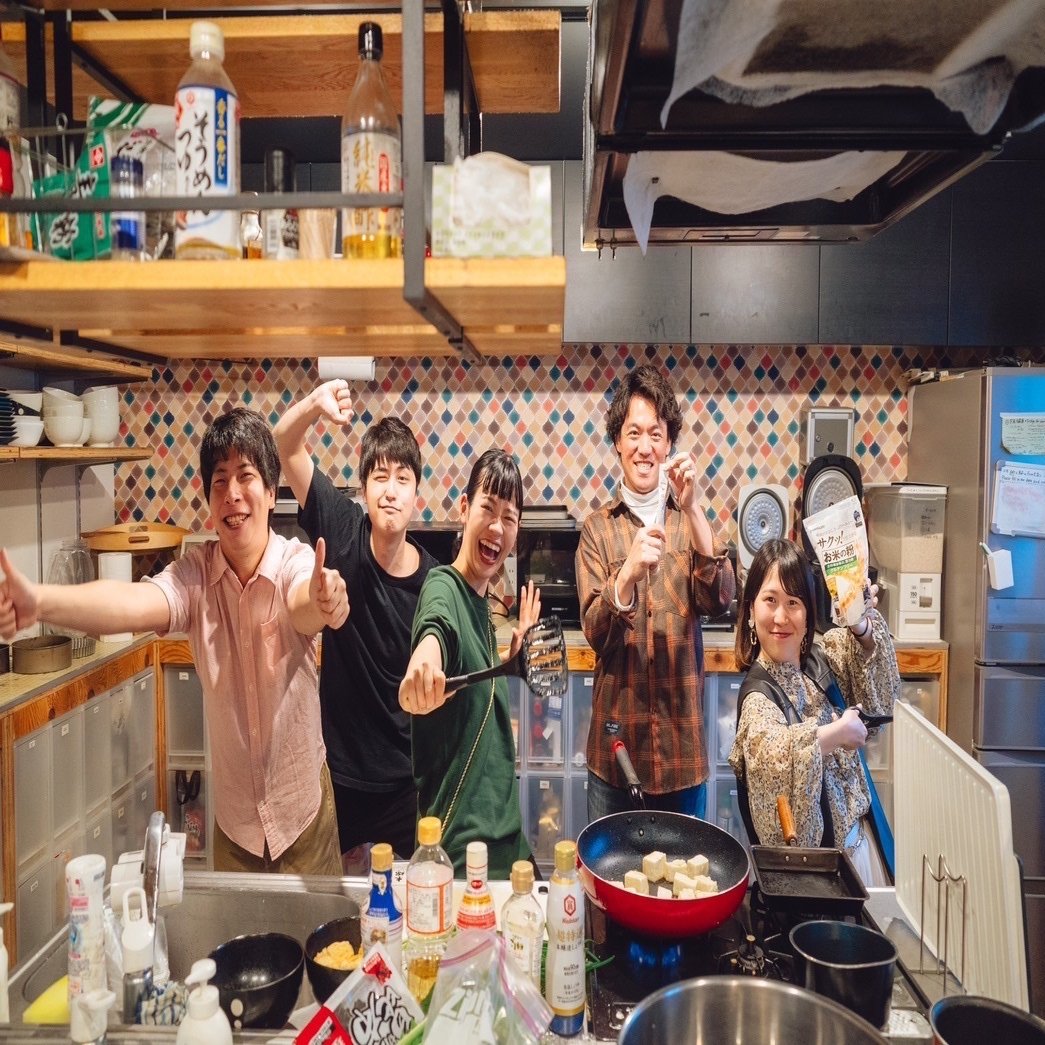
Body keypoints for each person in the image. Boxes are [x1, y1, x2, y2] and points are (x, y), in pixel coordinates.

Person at [0, 407, 348, 875]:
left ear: (271, 492)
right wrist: (40, 601)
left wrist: (323, 600)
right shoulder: (195, 575)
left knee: (323, 926)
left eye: (246, 476)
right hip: (236, 828)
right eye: (219, 481)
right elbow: (131, 602)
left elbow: (302, 600)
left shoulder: (294, 560)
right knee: (236, 927)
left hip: (303, 815)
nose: (232, 493)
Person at [273, 380, 437, 865]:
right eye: (380, 477)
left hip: (406, 781)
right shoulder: (342, 528)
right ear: (364, 488)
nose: (390, 491)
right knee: (335, 899)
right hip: (337, 774)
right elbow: (285, 443)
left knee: (409, 896)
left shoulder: (434, 582)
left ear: (416, 494)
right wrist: (314, 404)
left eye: (403, 478)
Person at [576, 363, 735, 821]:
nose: (644, 447)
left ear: (668, 445)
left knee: (687, 870)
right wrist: (625, 575)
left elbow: (721, 597)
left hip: (682, 757)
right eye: (633, 433)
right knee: (609, 869)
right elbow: (595, 633)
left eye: (656, 435)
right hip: (615, 757)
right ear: (617, 441)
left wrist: (695, 508)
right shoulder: (597, 530)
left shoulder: (688, 521)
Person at [398, 449, 538, 878]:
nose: (497, 527)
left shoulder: (481, 603)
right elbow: (435, 631)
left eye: (509, 518)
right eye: (488, 509)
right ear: (464, 508)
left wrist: (507, 660)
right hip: (463, 852)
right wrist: (423, 668)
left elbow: (470, 676)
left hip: (507, 840)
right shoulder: (444, 586)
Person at [728, 538, 898, 887]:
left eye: (793, 602)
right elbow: (772, 754)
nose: (781, 617)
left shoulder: (823, 660)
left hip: (867, 847)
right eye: (770, 600)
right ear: (750, 611)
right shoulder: (759, 696)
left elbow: (880, 695)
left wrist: (861, 624)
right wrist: (835, 734)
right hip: (822, 879)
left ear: (808, 616)